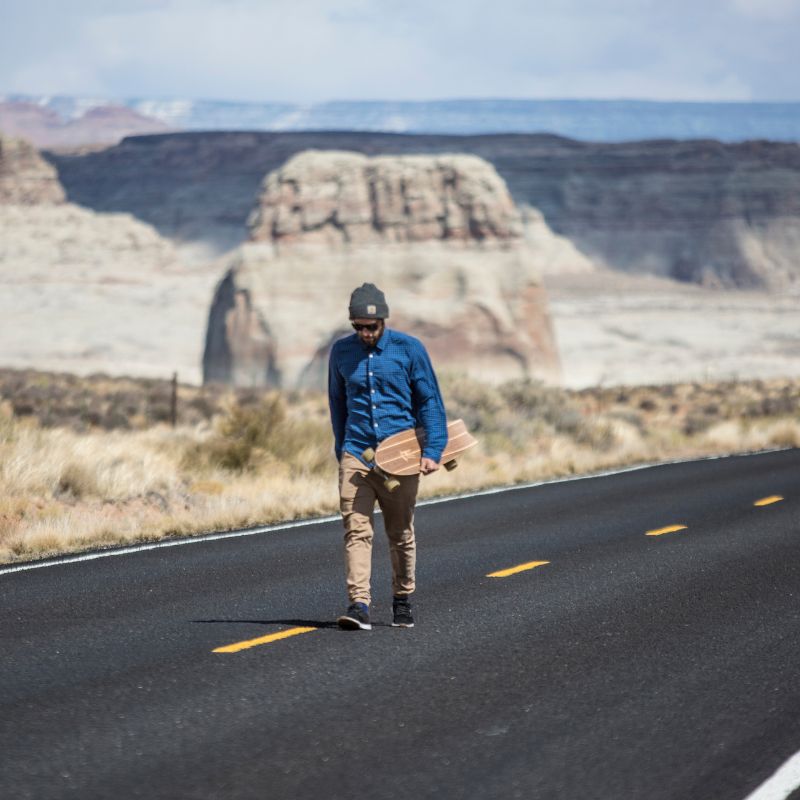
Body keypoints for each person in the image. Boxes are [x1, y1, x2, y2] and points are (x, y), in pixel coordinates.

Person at [328, 283, 447, 631]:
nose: (364, 333)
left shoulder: (409, 349)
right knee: (356, 530)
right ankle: (359, 604)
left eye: (370, 327)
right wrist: (342, 451)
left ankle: (402, 597)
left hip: (402, 455)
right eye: (358, 327)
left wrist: (434, 450)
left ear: (383, 320)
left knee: (399, 532)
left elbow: (430, 402)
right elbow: (337, 404)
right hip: (358, 453)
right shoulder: (340, 352)